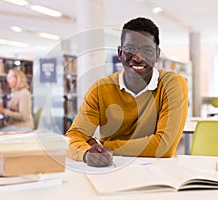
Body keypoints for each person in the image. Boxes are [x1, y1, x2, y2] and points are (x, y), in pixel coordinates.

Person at [65, 17, 188, 167]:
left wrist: (105, 145)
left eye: (147, 50)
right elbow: (73, 136)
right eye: (130, 49)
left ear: (156, 55)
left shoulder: (171, 84)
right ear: (120, 53)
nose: (137, 58)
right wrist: (86, 154)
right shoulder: (100, 89)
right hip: (110, 169)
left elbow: (164, 147)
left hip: (159, 171)